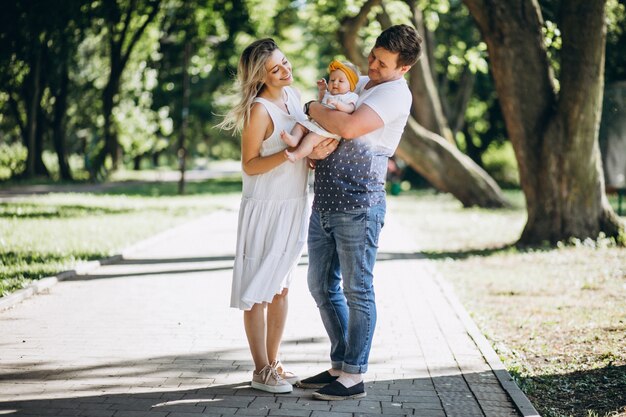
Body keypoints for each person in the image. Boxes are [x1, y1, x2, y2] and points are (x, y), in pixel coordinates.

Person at [296, 24, 423, 400]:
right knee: (320, 285)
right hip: (325, 202)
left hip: (359, 206)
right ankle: (339, 365)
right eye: (372, 56)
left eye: (382, 63)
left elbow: (349, 127)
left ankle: (354, 375)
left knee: (358, 290)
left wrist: (312, 108)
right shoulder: (365, 82)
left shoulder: (395, 94)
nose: (372, 65)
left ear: (404, 68)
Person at [217, 38, 330, 394]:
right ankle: (260, 370)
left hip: (294, 203)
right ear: (259, 76)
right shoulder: (260, 110)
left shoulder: (293, 97)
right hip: (266, 209)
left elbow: (302, 140)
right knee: (259, 291)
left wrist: (310, 154)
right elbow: (250, 166)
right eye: (275, 68)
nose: (285, 70)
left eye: (285, 61)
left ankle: (274, 361)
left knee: (280, 288)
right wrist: (290, 156)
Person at [280, 60, 360, 162]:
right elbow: (321, 102)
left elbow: (350, 108)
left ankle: (296, 155)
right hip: (316, 123)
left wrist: (338, 104)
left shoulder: (350, 96)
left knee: (310, 139)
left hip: (327, 131)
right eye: (332, 80)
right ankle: (294, 139)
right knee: (299, 125)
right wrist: (322, 90)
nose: (335, 83)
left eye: (341, 81)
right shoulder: (329, 93)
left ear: (351, 85)